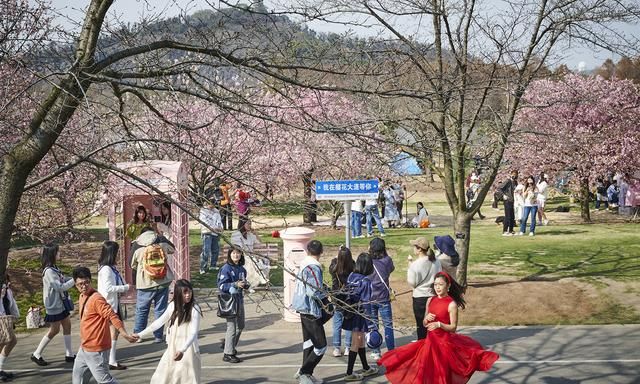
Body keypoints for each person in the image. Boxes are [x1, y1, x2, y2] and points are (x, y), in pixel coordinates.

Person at [378, 272, 499, 383]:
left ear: (448, 286)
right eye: (435, 284)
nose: (437, 287)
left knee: (442, 377)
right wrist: (426, 320)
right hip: (429, 344)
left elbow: (453, 328)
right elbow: (425, 324)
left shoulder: (451, 304)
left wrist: (439, 324)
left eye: (441, 284)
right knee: (424, 375)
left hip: (444, 347)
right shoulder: (430, 300)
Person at [71, 266, 138, 384]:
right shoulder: (82, 296)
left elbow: (112, 316)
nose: (84, 286)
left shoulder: (97, 299)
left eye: (86, 282)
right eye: (80, 284)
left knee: (105, 381)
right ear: (75, 285)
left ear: (90, 281)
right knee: (78, 378)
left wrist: (124, 334)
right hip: (85, 348)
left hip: (97, 349)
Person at [134, 279, 202, 383]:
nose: (188, 295)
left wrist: (182, 350)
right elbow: (158, 322)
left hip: (188, 349)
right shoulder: (172, 306)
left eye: (190, 292)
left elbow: (193, 333)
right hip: (173, 346)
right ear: (178, 293)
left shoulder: (194, 308)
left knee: (186, 375)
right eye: (185, 292)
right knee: (165, 372)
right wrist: (140, 335)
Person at [31, 243, 76, 366]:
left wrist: (72, 278)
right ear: (52, 254)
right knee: (54, 330)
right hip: (54, 305)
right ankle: (36, 353)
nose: (59, 254)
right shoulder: (49, 271)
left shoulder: (54, 268)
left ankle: (69, 354)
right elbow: (60, 287)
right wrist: (75, 280)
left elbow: (62, 279)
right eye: (57, 252)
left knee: (67, 325)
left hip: (59, 304)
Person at [291, 240, 329, 384]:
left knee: (308, 341)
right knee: (321, 345)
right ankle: (304, 372)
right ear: (321, 252)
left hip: (303, 307)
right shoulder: (313, 267)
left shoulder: (305, 264)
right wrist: (325, 296)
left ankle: (306, 373)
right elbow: (313, 291)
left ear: (308, 251)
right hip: (310, 308)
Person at [131, 228, 175, 343]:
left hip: (144, 284)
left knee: (142, 310)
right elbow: (172, 249)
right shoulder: (162, 242)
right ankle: (158, 336)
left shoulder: (137, 245)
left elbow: (132, 264)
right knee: (160, 310)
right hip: (163, 282)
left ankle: (138, 334)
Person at [341, 253, 379, 381]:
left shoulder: (352, 276)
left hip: (351, 311)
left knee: (360, 340)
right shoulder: (365, 281)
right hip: (360, 314)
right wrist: (371, 322)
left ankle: (366, 367)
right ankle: (349, 373)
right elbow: (366, 302)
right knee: (356, 342)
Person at [97, 241, 130, 370]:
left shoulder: (109, 268)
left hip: (112, 303)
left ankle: (111, 359)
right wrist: (125, 287)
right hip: (108, 304)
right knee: (113, 331)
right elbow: (108, 288)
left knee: (113, 332)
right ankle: (110, 360)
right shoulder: (106, 269)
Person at [217, 248, 248, 363]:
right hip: (229, 302)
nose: (236, 255)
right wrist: (235, 284)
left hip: (239, 300)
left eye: (238, 253)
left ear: (241, 254)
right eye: (233, 253)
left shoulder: (242, 269)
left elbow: (243, 282)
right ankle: (228, 353)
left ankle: (228, 344)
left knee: (241, 325)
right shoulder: (226, 269)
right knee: (232, 327)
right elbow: (221, 286)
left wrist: (245, 285)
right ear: (230, 255)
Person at [407, 237, 441, 340]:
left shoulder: (415, 265)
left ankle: (422, 347)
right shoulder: (436, 261)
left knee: (421, 325)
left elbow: (412, 283)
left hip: (420, 297)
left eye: (414, 246)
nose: (413, 248)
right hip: (433, 296)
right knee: (432, 324)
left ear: (419, 249)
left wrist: (409, 266)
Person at [366, 238, 395, 360]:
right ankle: (391, 351)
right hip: (383, 298)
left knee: (373, 325)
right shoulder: (387, 260)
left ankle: (376, 350)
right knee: (388, 325)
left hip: (370, 298)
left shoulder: (368, 261)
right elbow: (391, 270)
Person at [328, 247, 354, 357]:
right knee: (348, 323)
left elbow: (331, 269)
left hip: (337, 298)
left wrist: (336, 258)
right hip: (349, 298)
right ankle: (348, 347)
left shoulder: (334, 266)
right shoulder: (352, 265)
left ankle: (337, 348)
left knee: (337, 324)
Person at [230, 220, 269, 289]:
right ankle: (260, 277)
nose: (249, 226)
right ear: (242, 224)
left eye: (250, 224)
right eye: (248, 224)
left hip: (251, 255)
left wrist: (255, 234)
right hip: (241, 256)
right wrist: (250, 255)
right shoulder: (236, 234)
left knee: (262, 260)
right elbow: (238, 248)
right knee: (251, 261)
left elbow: (260, 244)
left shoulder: (250, 235)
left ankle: (262, 277)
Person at [0, 274, 19, 381]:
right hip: (2, 318)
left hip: (5, 318)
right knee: (11, 340)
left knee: (10, 341)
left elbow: (11, 304)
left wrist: (15, 316)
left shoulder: (7, 290)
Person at [199, 201, 223, 274]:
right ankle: (203, 267)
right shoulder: (203, 211)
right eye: (210, 203)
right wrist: (214, 228)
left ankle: (213, 265)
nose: (212, 205)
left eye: (213, 203)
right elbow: (205, 222)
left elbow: (219, 221)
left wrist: (221, 228)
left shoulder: (216, 211)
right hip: (207, 233)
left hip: (215, 233)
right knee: (206, 250)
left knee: (215, 250)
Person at [498, 170, 518, 236]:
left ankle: (511, 230)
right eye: (513, 174)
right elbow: (500, 188)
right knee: (508, 216)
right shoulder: (508, 181)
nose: (514, 175)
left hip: (513, 201)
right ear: (511, 174)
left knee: (512, 216)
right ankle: (505, 231)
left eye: (515, 174)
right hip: (507, 200)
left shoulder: (515, 182)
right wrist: (504, 195)